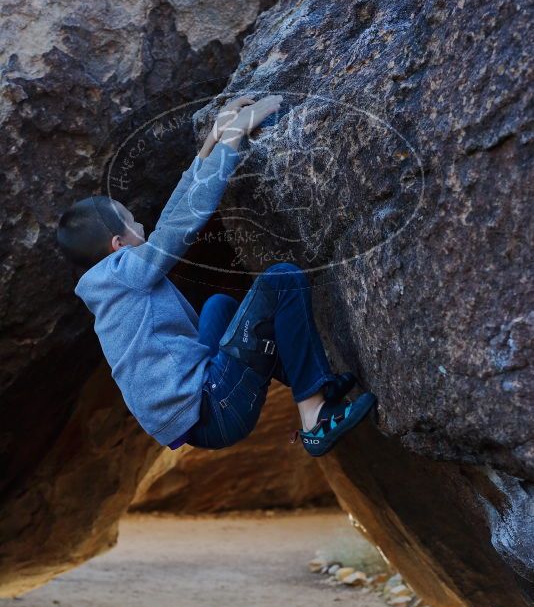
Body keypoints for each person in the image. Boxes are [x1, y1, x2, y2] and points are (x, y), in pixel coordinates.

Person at [57, 95, 376, 457]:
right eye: (132, 223)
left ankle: (319, 381)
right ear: (118, 244)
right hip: (213, 408)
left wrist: (212, 141)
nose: (141, 225)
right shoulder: (124, 274)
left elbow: (168, 218)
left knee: (218, 307)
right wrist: (233, 139)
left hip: (203, 409)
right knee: (282, 280)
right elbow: (177, 227)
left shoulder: (109, 281)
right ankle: (314, 416)